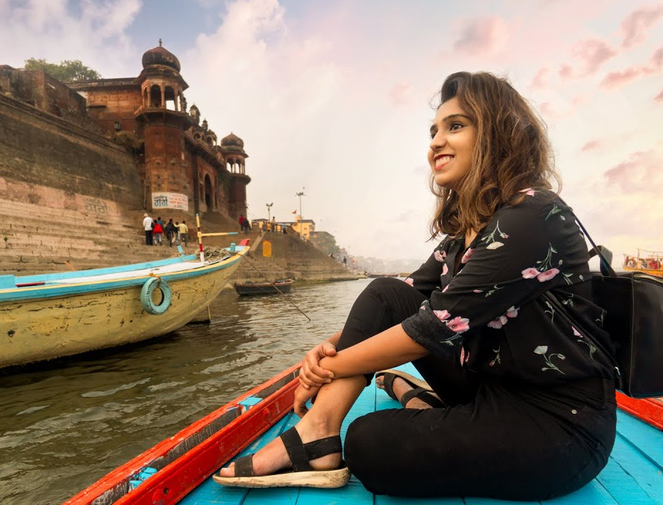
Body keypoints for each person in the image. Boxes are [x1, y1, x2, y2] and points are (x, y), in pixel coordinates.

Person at [214, 72, 617, 501]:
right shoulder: (465, 234)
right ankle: (318, 433)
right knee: (386, 291)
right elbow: (397, 302)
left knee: (370, 444)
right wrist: (331, 347)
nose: (436, 142)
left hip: (559, 423)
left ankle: (371, 412)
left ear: (500, 133)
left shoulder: (530, 217)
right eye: (434, 130)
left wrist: (329, 368)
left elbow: (428, 330)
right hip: (489, 386)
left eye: (456, 126)